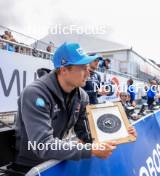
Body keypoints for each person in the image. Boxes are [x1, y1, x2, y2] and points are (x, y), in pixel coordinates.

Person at [11, 43, 137, 175]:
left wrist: (121, 133)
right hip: (30, 169)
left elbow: (87, 135)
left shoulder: (82, 96)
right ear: (64, 70)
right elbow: (43, 145)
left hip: (58, 162)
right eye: (83, 68)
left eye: (88, 68)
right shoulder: (35, 94)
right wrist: (90, 150)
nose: (88, 74)